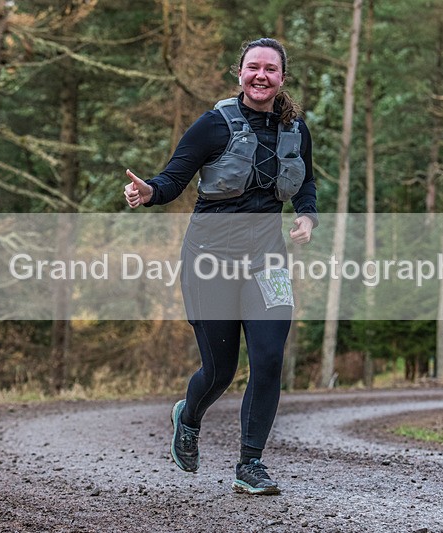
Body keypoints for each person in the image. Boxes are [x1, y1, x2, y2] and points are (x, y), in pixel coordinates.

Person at [124, 37, 317, 495]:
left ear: (282, 78)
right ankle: (189, 416)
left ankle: (250, 464)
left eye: (270, 69)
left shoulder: (296, 130)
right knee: (220, 370)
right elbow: (173, 179)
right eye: (254, 67)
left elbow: (306, 181)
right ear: (240, 73)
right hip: (209, 259)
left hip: (267, 259)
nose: (261, 75)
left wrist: (307, 217)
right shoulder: (213, 125)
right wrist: (148, 192)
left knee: (269, 359)